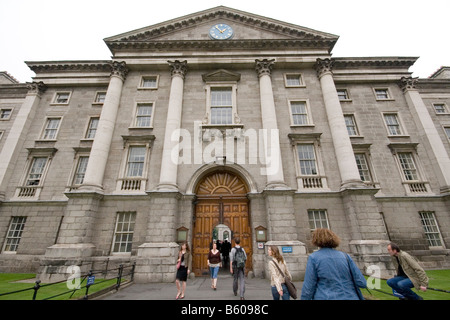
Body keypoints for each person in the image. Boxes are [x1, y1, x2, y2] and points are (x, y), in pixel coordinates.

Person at [301, 228, 367, 300]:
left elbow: (308, 288)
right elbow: (361, 282)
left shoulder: (313, 258)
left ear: (315, 240)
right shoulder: (345, 256)